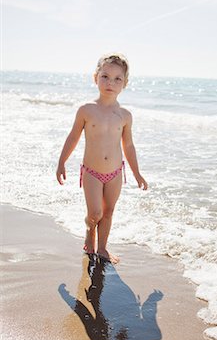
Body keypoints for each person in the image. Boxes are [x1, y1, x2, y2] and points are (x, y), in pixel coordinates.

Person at [56, 53, 148, 263]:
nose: (110, 82)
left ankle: (103, 248)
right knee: (95, 213)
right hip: (92, 172)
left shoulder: (124, 115)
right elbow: (73, 137)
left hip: (116, 173)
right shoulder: (86, 110)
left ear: (125, 83)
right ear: (95, 77)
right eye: (105, 76)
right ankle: (90, 232)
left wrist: (137, 173)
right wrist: (62, 161)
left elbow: (129, 146)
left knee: (108, 212)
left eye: (117, 79)